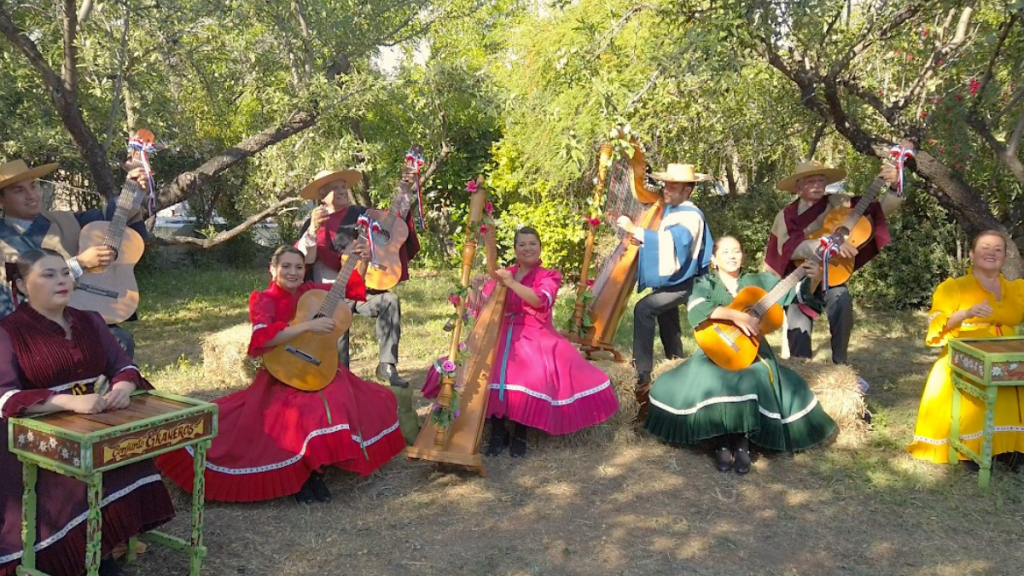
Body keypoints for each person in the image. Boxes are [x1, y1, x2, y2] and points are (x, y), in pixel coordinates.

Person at [156, 246, 405, 504]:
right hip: (283, 370)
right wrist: (308, 325)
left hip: (319, 365)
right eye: (286, 266)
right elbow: (263, 338)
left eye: (298, 267)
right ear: (272, 269)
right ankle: (303, 476)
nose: (293, 272)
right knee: (299, 413)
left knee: (350, 399)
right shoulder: (264, 299)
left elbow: (346, 290)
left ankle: (319, 466)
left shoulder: (311, 292)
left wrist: (360, 262)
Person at [0, 249, 174, 576]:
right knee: (72, 487)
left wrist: (123, 386)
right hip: (35, 439)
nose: (62, 280)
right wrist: (66, 401)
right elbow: (4, 397)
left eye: (65, 273)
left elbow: (123, 364)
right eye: (48, 275)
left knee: (127, 459)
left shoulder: (90, 320)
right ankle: (77, 560)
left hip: (94, 426)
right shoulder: (8, 332)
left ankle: (108, 545)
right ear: (22, 286)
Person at [645, 236, 838, 474]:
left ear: (743, 255)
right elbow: (697, 308)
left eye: (736, 251)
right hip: (715, 347)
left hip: (754, 350)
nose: (732, 256)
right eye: (725, 252)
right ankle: (723, 442)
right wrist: (736, 316)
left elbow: (798, 296)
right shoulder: (706, 282)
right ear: (714, 259)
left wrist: (815, 276)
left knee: (753, 376)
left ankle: (743, 443)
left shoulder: (759, 281)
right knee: (711, 375)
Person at [422, 226, 618, 458]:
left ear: (540, 247)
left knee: (528, 368)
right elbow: (481, 307)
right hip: (503, 329)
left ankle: (520, 431)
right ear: (515, 249)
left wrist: (512, 283)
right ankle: (497, 430)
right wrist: (473, 289)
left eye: (532, 243)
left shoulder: (549, 275)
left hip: (535, 330)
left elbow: (540, 301)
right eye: (522, 244)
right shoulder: (503, 274)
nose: (527, 248)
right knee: (489, 364)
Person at [0, 159, 149, 356]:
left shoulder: (65, 220)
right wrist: (79, 264)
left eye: (33, 186)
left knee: (119, 340)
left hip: (76, 317)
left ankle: (112, 388)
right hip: (24, 328)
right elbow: (13, 285)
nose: (31, 195)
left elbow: (114, 218)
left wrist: (134, 190)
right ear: (1, 200)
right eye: (19, 190)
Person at [907, 230, 1024, 468]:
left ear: (1005, 256)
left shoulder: (1017, 289)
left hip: (1006, 356)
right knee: (973, 397)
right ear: (971, 254)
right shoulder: (953, 287)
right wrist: (966, 313)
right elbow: (937, 324)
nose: (991, 253)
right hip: (965, 356)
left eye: (998, 249)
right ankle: (968, 449)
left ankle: (1009, 447)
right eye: (985, 247)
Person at [765, 160, 898, 364]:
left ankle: (841, 363)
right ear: (798, 187)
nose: (817, 185)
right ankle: (801, 370)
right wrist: (826, 244)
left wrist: (895, 188)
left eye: (821, 180)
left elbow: (877, 212)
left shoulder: (839, 202)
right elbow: (787, 250)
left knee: (842, 300)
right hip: (802, 279)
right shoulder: (785, 216)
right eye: (811, 181)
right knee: (797, 318)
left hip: (832, 276)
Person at [295, 169, 419, 387]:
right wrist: (313, 229)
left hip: (360, 289)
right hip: (328, 294)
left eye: (344, 187)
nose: (342, 191)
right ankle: (340, 373)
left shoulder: (363, 214)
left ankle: (386, 366)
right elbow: (306, 259)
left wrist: (405, 190)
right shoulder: (313, 223)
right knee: (335, 316)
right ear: (322, 195)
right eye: (335, 188)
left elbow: (393, 221)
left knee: (389, 301)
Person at [615, 163, 714, 421]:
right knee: (666, 318)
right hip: (675, 280)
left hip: (687, 282)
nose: (665, 190)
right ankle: (676, 362)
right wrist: (643, 238)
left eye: (672, 187)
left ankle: (641, 375)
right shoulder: (673, 210)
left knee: (644, 308)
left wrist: (634, 229)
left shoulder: (691, 214)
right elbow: (663, 240)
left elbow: (676, 243)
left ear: (688, 190)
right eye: (665, 185)